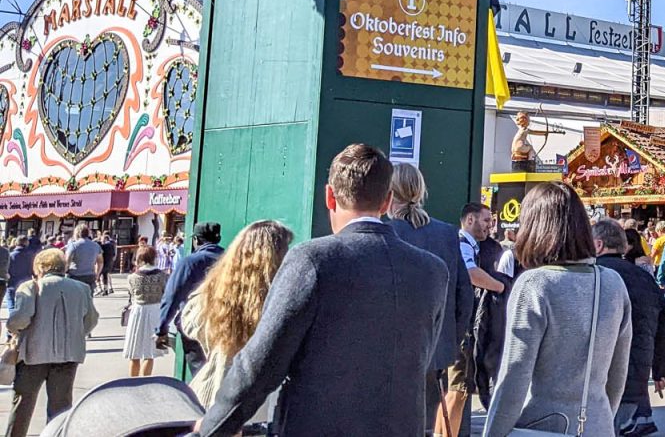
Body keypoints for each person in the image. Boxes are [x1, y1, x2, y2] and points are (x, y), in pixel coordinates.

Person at [197, 144, 450, 437]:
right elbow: (421, 356)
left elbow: (260, 364)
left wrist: (212, 427)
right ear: (387, 201)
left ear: (330, 196)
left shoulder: (312, 260)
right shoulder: (432, 270)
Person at [483, 183, 632, 437]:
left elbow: (513, 379)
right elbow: (617, 374)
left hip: (545, 423)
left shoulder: (534, 284)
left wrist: (493, 432)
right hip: (598, 422)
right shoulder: (612, 283)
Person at [178, 218, 295, 434]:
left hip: (214, 400)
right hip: (264, 408)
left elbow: (188, 323)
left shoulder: (209, 295)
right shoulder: (284, 302)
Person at [386, 163, 474, 435]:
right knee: (424, 424)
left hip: (389, 351)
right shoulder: (447, 234)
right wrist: (449, 339)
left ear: (389, 193)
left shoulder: (385, 232)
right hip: (435, 349)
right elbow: (465, 293)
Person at [595, 217, 665, 437]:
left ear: (598, 244)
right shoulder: (643, 278)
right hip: (636, 379)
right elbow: (664, 328)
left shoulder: (591, 276)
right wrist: (663, 370)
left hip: (598, 380)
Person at [5, 248, 97, 436]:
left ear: (41, 267)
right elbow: (90, 320)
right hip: (68, 356)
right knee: (60, 409)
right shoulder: (82, 289)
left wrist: (11, 328)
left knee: (22, 406)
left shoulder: (31, 287)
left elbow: (21, 319)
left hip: (33, 355)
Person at [439, 202, 507, 437]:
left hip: (458, 323)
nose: (490, 226)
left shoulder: (470, 245)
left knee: (455, 390)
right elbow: (470, 273)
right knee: (458, 389)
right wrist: (499, 287)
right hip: (461, 326)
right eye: (486, 220)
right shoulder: (462, 244)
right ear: (470, 220)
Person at [156, 220, 225, 374]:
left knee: (201, 373)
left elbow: (172, 296)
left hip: (196, 324)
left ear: (196, 240)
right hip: (225, 325)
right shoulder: (232, 261)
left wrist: (161, 329)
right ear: (218, 239)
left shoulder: (189, 263)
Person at [121, 244, 168, 377]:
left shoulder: (132, 277)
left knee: (134, 352)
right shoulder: (162, 276)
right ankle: (145, 382)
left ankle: (133, 382)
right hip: (155, 311)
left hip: (138, 312)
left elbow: (132, 293)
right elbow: (165, 293)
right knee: (149, 352)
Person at [8, 232, 40, 311]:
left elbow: (7, 269)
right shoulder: (31, 256)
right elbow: (34, 270)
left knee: (11, 301)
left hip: (13, 281)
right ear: (26, 243)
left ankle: (12, 317)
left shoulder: (11, 255)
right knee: (24, 303)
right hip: (26, 282)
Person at [63, 225, 101, 290]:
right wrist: (97, 274)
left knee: (74, 298)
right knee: (88, 298)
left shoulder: (73, 245)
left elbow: (67, 262)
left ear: (77, 233)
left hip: (75, 275)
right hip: (89, 275)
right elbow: (100, 262)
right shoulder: (96, 246)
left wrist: (64, 272)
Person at [97, 231, 116, 296]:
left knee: (98, 276)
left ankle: (99, 289)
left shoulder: (103, 246)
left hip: (102, 263)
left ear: (105, 239)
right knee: (105, 276)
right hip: (109, 263)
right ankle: (106, 289)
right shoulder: (112, 245)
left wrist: (98, 240)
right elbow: (113, 254)